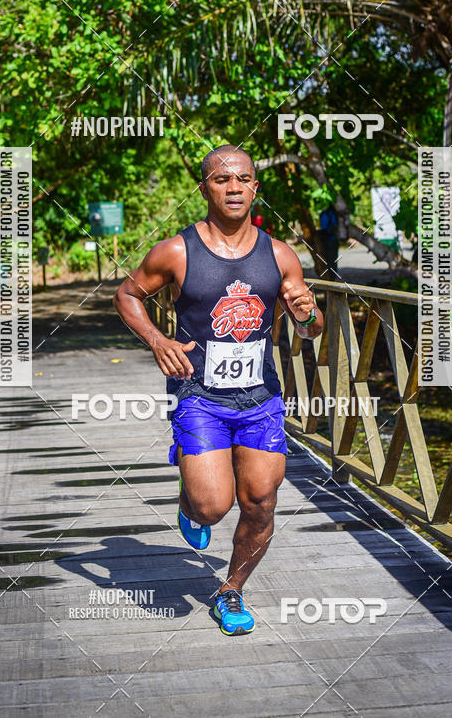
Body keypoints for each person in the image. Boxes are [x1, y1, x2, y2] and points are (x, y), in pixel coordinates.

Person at [113, 144, 323, 635]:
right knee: (212, 504)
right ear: (205, 186)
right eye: (222, 180)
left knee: (261, 502)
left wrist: (307, 314)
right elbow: (127, 294)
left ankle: (231, 592)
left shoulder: (279, 254)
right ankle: (190, 498)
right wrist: (157, 339)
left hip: (260, 399)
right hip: (199, 394)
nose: (234, 188)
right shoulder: (177, 251)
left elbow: (311, 330)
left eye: (243, 180)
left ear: (256, 187)